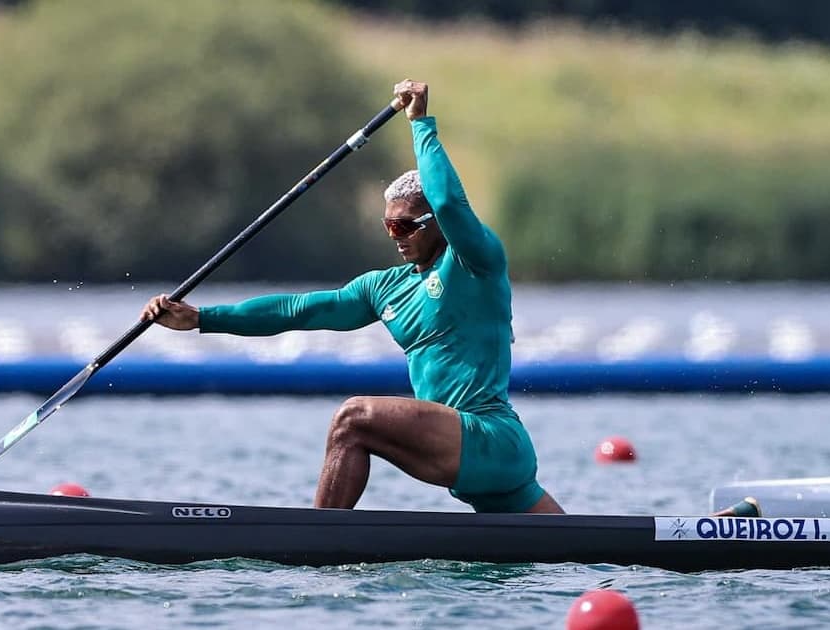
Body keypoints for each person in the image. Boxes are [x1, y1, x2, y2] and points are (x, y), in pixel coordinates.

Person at [141, 79, 564, 514]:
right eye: (388, 227)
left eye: (405, 226)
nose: (394, 237)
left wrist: (420, 123)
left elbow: (451, 203)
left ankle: (315, 541)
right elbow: (297, 311)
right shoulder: (384, 288)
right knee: (579, 553)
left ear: (435, 223)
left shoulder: (475, 262)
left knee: (352, 419)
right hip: (473, 463)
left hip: (489, 438)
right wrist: (203, 319)